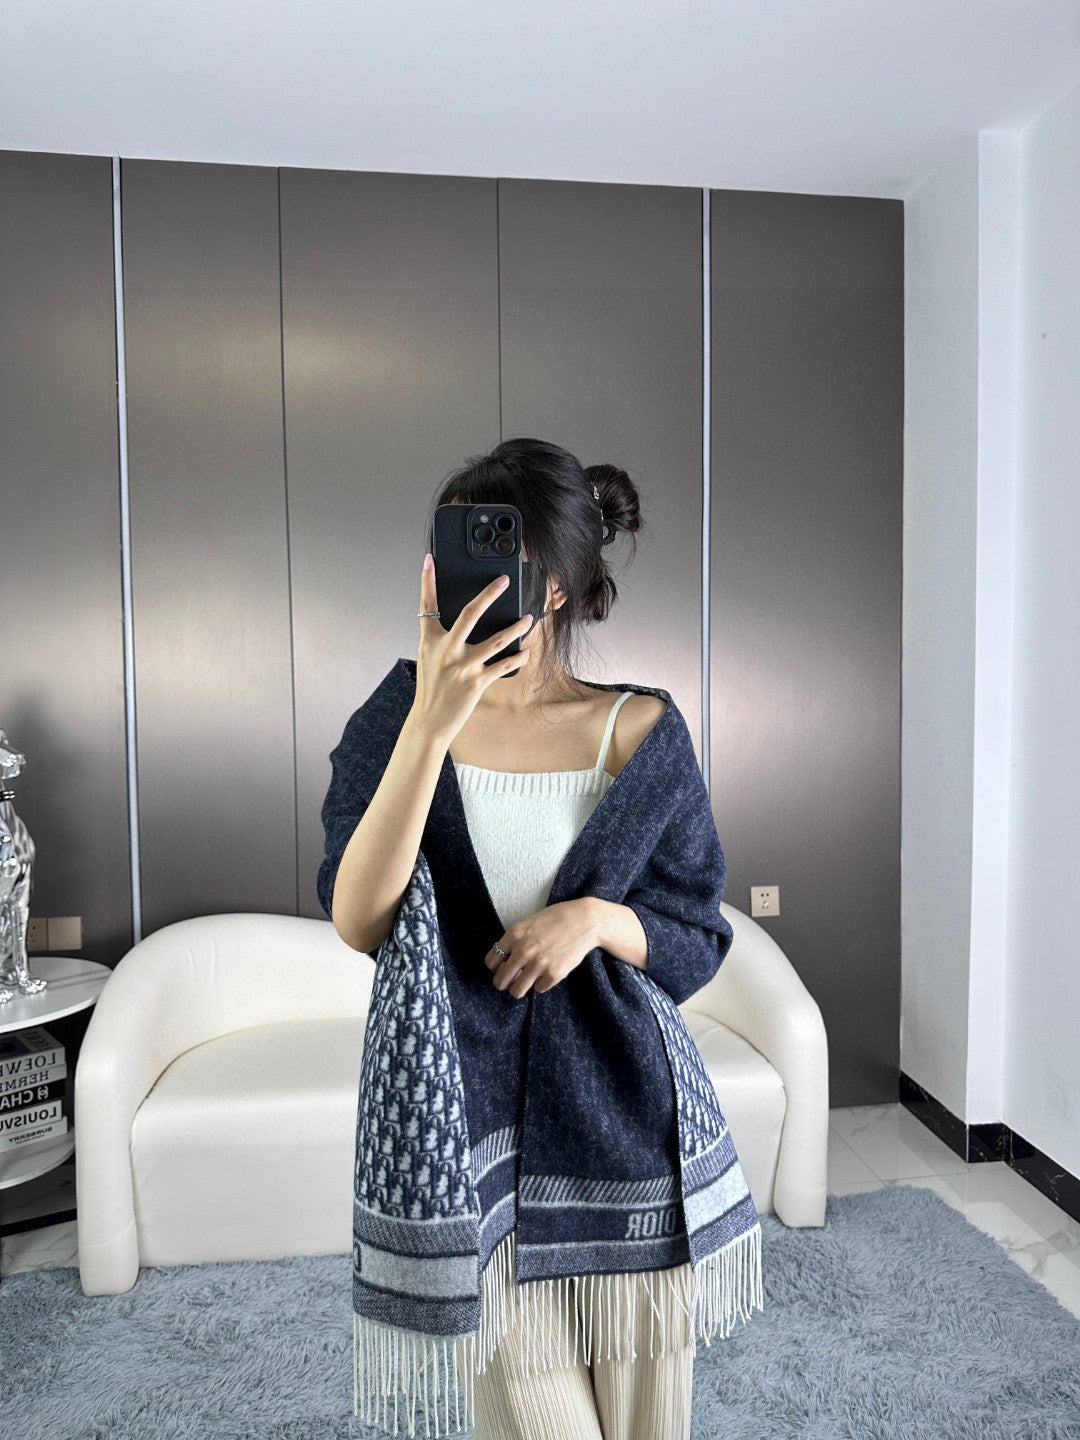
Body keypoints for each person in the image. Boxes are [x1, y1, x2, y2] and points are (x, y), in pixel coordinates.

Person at [324, 437, 748, 1440]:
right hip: (469, 1142)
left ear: (553, 584)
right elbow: (359, 917)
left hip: (628, 1137)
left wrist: (594, 920)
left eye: (499, 551)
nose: (467, 576)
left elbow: (696, 932)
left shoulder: (640, 731)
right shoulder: (396, 720)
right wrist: (431, 725)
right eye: (454, 546)